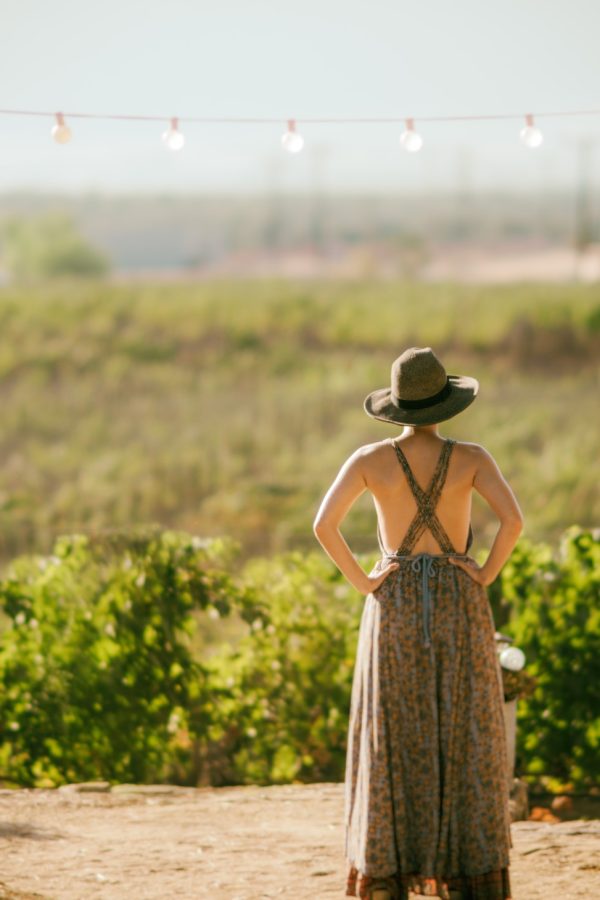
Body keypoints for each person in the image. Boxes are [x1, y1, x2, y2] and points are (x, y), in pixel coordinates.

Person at [312, 347, 524, 900]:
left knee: (393, 732)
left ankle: (389, 871)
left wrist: (365, 583)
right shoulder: (472, 457)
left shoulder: (369, 459)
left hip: (395, 600)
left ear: (395, 406)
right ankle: (465, 867)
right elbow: (514, 521)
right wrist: (483, 574)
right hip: (458, 597)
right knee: (465, 729)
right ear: (446, 404)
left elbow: (323, 525)